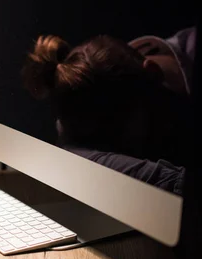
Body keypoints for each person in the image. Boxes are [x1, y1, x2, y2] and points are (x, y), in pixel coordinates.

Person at [21, 27, 196, 195]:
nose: (133, 156)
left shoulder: (117, 83)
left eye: (134, 139)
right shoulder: (114, 80)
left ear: (153, 73)